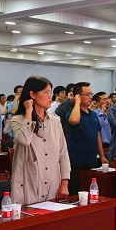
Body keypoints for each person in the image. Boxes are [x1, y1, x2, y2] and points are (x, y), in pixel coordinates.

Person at [10, 76, 70, 205]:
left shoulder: (55, 122)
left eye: (50, 92)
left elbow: (63, 155)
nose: (50, 96)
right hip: (28, 185)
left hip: (53, 186)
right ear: (32, 94)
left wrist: (64, 183)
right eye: (46, 92)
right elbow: (24, 140)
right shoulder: (17, 120)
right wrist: (29, 112)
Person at [66, 82, 108, 196]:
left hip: (91, 159)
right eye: (87, 94)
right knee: (75, 191)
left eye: (91, 94)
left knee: (90, 190)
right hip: (76, 160)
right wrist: (77, 103)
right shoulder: (71, 113)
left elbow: (97, 134)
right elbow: (74, 120)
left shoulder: (93, 114)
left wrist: (102, 155)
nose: (91, 97)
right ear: (78, 96)